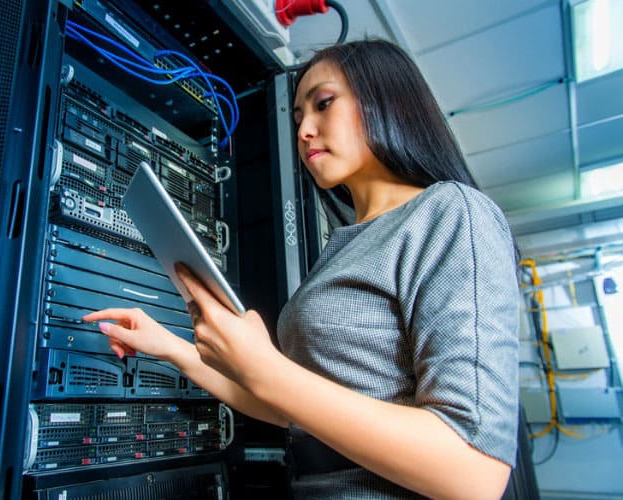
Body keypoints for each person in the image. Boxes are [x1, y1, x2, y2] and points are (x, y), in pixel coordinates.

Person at [83, 39, 520, 499]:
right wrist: (172, 348)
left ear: (387, 100)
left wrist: (268, 368)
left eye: (324, 104)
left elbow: (475, 474)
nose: (305, 131)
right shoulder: (344, 245)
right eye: (296, 120)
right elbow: (296, 410)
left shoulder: (451, 214)